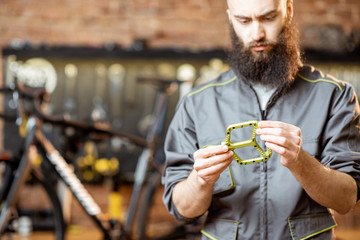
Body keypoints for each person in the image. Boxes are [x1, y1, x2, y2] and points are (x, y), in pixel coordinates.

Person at [162, 0, 360, 239]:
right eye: (243, 21)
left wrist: (300, 162)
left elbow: (346, 199)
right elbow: (182, 209)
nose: (257, 34)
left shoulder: (335, 96)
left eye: (268, 18)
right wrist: (200, 180)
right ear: (230, 18)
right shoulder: (197, 103)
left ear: (288, 9)